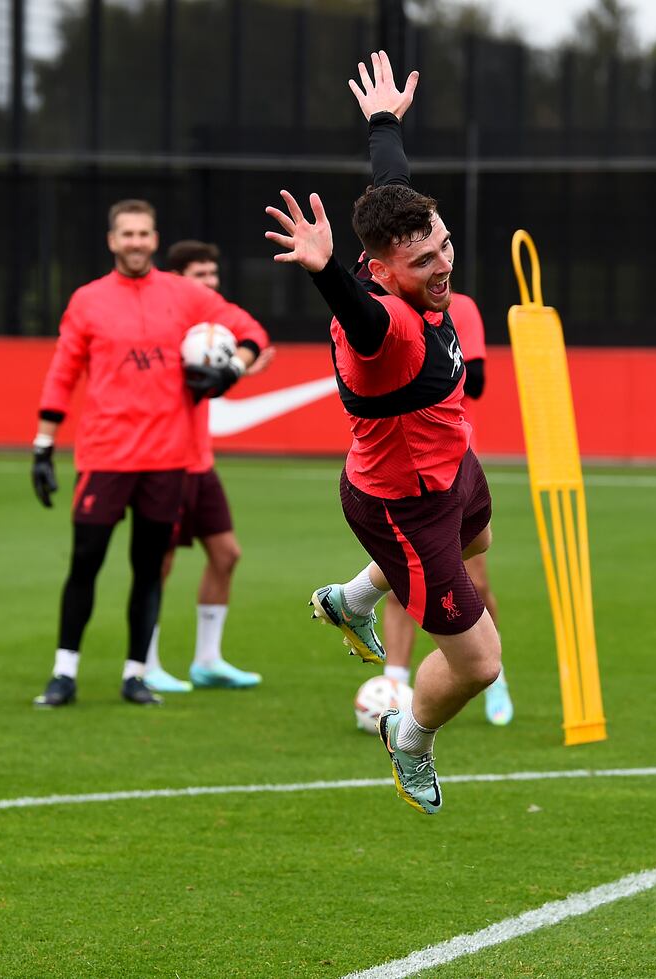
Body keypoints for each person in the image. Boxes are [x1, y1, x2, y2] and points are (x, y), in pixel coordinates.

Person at [265, 52, 502, 814]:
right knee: (480, 664)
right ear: (378, 268)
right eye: (422, 260)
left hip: (448, 460)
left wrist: (383, 119)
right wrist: (324, 270)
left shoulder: (399, 249)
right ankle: (409, 738)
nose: (441, 265)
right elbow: (362, 320)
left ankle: (352, 598)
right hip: (402, 501)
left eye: (443, 245)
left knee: (480, 544)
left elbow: (391, 188)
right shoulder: (384, 325)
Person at [31, 200, 269, 708]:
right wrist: (43, 445)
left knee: (147, 568)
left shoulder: (185, 295)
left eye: (144, 233)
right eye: (127, 234)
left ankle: (136, 674)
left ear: (154, 239)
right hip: (104, 458)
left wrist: (232, 369)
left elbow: (251, 331)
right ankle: (64, 673)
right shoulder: (87, 301)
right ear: (112, 241)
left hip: (167, 459)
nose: (136, 242)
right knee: (85, 563)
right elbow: (63, 372)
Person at [143, 239, 274, 693]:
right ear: (178, 280)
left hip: (199, 460)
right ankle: (146, 663)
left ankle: (207, 660)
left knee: (226, 554)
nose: (211, 286)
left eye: (215, 277)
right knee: (157, 561)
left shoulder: (209, 330)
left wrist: (235, 368)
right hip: (164, 459)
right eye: (202, 277)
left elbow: (220, 371)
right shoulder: (162, 327)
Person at [381, 291, 514, 726]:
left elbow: (474, 380)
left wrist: (429, 339)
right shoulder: (381, 313)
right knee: (403, 575)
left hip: (451, 462)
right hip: (399, 468)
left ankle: (496, 678)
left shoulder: (461, 306)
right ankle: (393, 686)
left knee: (473, 578)